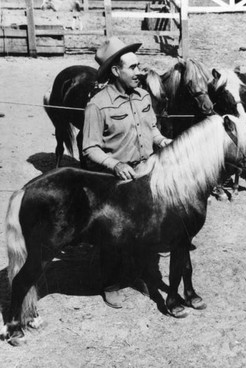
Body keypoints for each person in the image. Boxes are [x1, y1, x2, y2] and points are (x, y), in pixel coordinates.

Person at [82, 37, 171, 307]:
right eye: (132, 67)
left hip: (146, 172)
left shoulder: (143, 96)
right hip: (115, 179)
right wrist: (116, 165)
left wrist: (163, 141)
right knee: (115, 234)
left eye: (139, 66)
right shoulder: (97, 105)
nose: (139, 72)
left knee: (147, 228)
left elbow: (151, 129)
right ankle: (110, 282)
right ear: (115, 71)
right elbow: (89, 148)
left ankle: (139, 272)